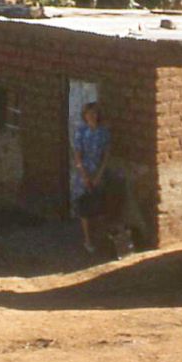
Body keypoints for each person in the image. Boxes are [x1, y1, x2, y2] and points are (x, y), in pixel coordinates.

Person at [72, 101, 111, 253]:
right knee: (85, 208)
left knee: (99, 205)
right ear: (85, 116)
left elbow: (106, 155)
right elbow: (78, 156)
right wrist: (85, 177)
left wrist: (98, 175)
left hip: (98, 172)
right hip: (84, 174)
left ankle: (100, 238)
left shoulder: (104, 132)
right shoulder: (81, 132)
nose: (92, 116)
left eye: (95, 113)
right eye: (89, 114)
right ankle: (88, 239)